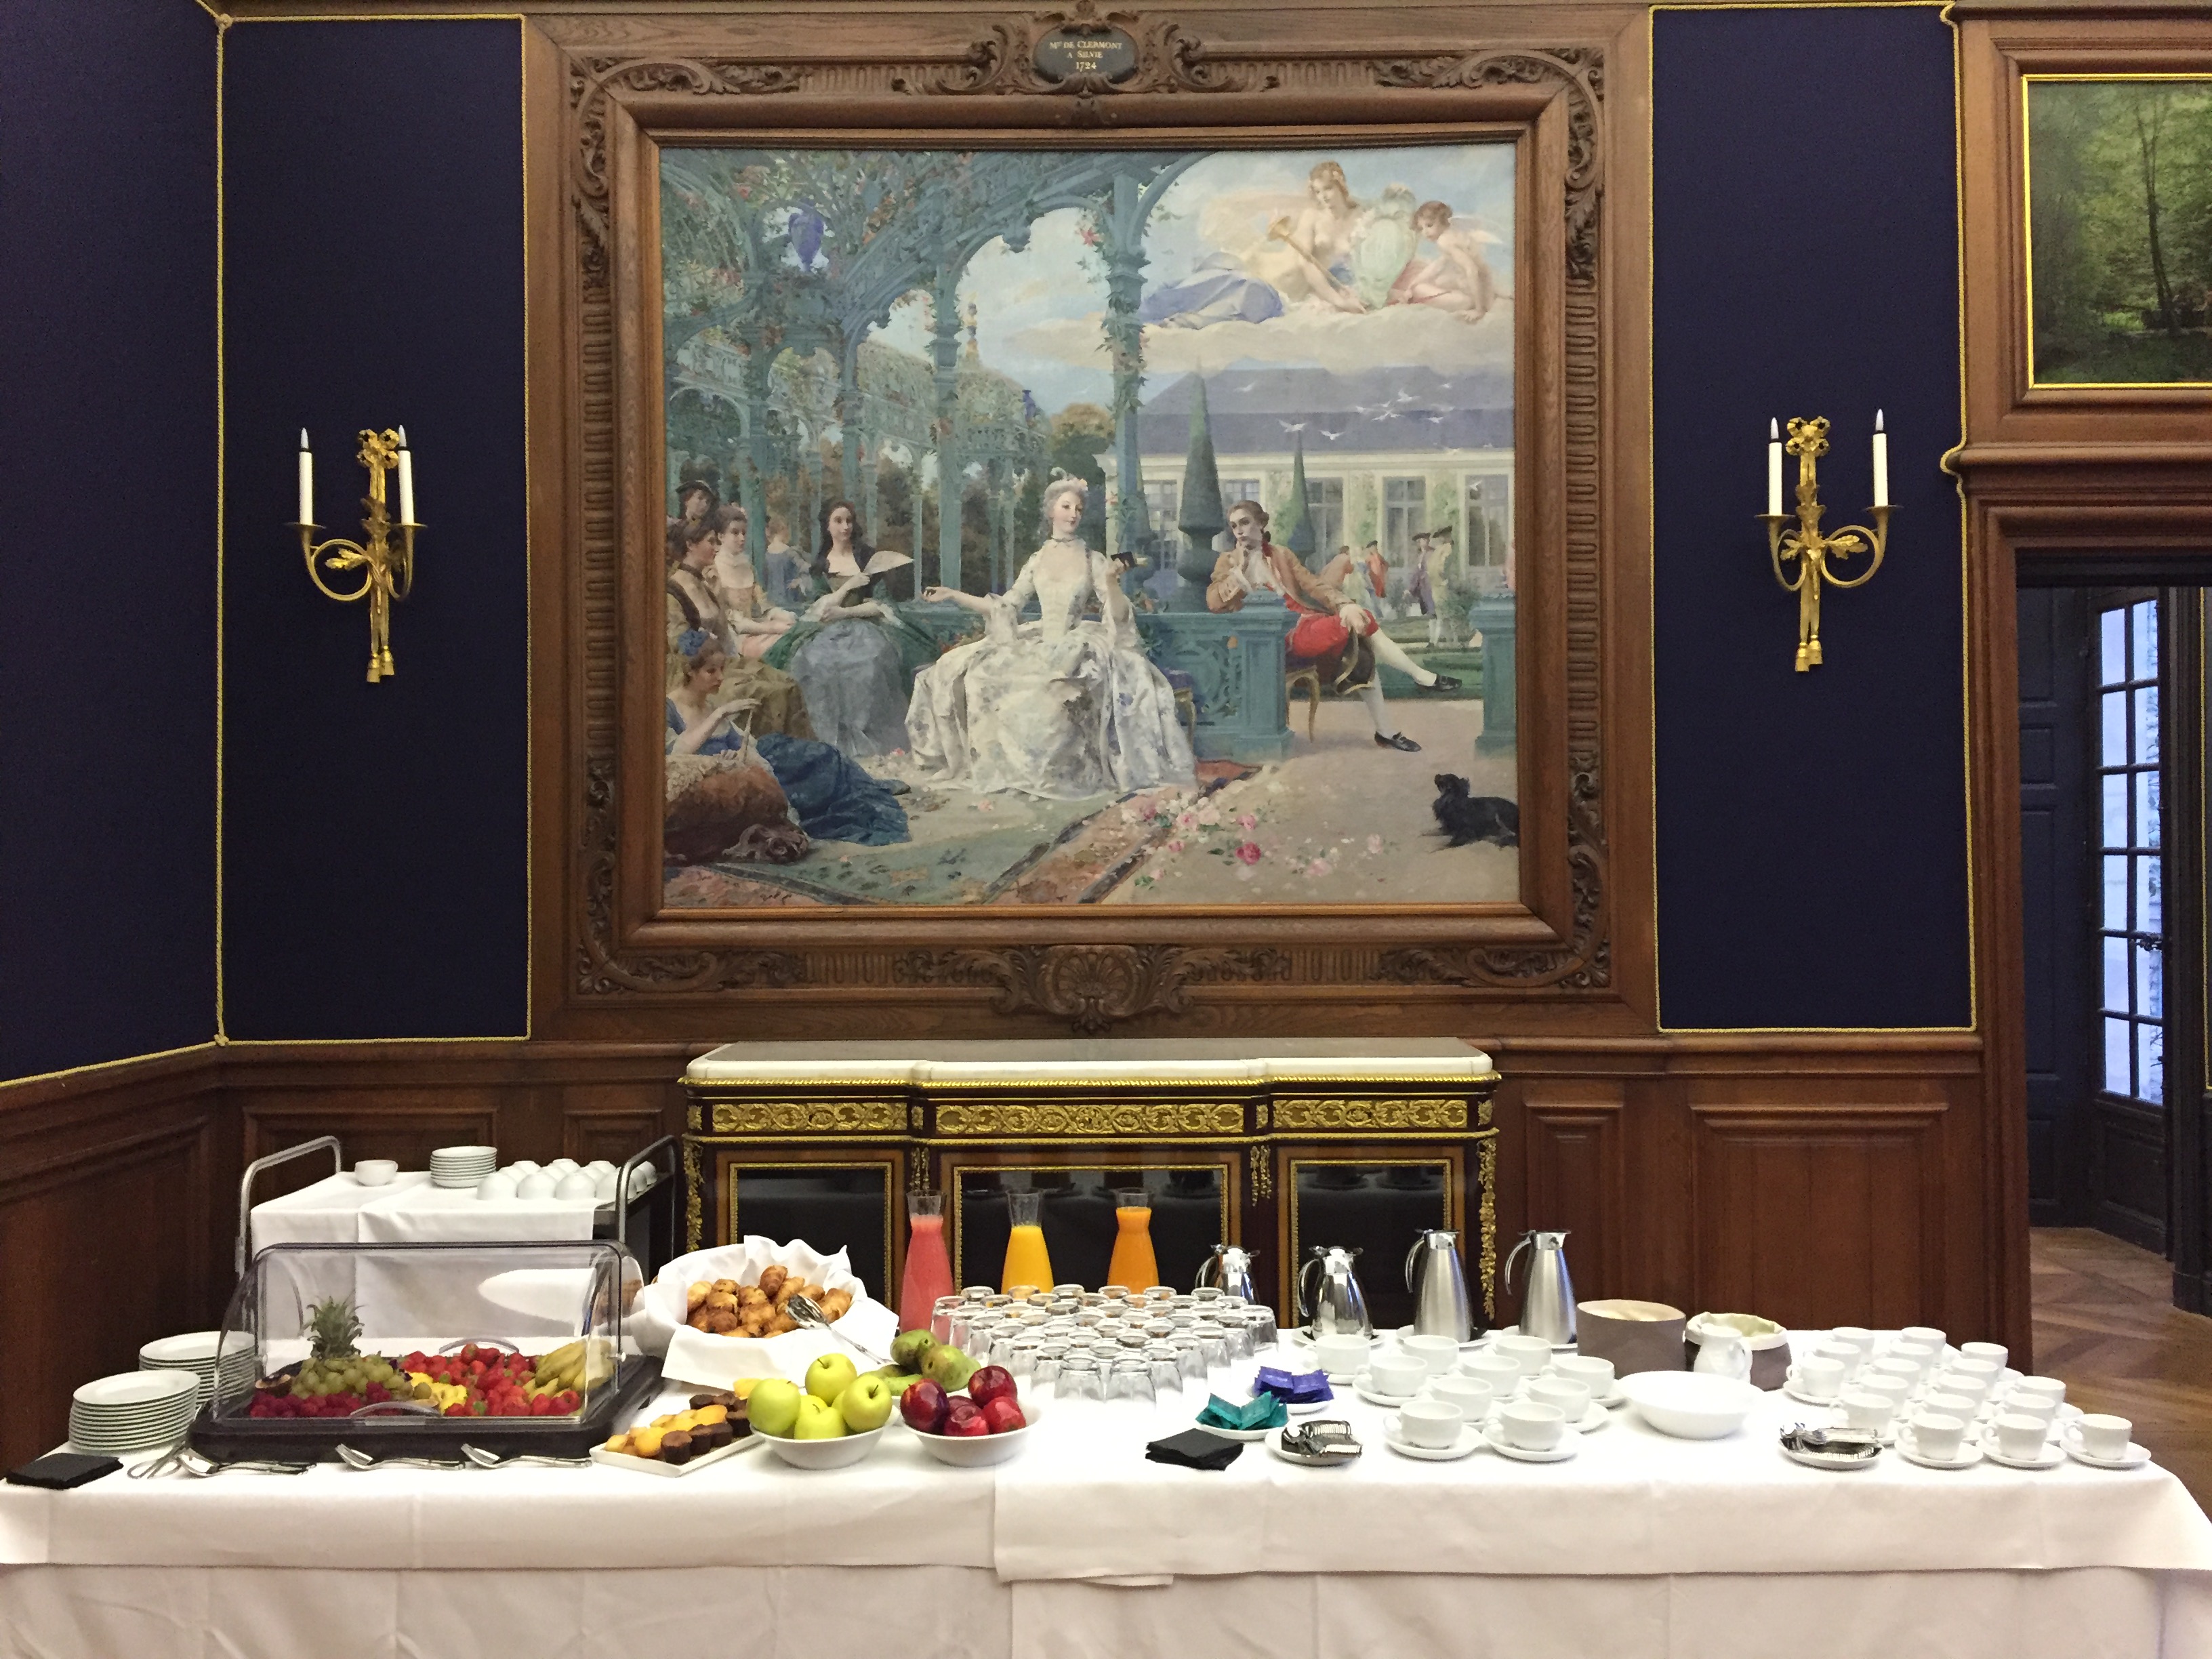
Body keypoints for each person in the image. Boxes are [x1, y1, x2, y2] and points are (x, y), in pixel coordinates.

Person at [907, 476, 1195, 799]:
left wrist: (1112, 582)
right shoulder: (1037, 559)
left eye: (1079, 509)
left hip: (1076, 642)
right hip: (1040, 640)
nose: (1073, 514)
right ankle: (1003, 768)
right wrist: (952, 594)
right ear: (1051, 511)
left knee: (1054, 687)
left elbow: (1116, 616)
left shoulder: (1093, 559)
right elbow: (1006, 605)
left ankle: (1052, 774)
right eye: (1066, 507)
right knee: (976, 676)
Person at [1208, 499, 1456, 753]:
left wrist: (1344, 604)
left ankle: (1387, 731)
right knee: (1362, 621)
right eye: (1234, 526)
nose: (1239, 530)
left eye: (1245, 522)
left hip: (1303, 621)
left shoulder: (1281, 554)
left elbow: (1314, 585)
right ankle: (1421, 676)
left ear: (1260, 523)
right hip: (1270, 640)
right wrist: (1242, 570)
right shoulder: (1228, 562)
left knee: (1363, 652)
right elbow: (1214, 602)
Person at [667, 630, 906, 846]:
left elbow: (743, 743)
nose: (720, 677)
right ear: (690, 671)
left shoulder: (706, 701)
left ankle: (867, 786)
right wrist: (720, 718)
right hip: (740, 776)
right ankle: (859, 790)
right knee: (818, 768)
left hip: (756, 756)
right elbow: (676, 756)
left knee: (822, 753)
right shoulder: (669, 708)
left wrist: (740, 750)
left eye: (722, 669)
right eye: (711, 671)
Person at [766, 501, 937, 758]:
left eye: (849, 521)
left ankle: (870, 736)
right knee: (813, 662)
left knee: (871, 661)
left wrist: (846, 612)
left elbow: (881, 605)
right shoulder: (820, 566)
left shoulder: (868, 558)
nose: (845, 527)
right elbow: (821, 609)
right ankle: (825, 738)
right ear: (827, 526)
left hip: (866, 626)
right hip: (826, 629)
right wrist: (845, 590)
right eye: (838, 521)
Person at [666, 517, 813, 738]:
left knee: (787, 683)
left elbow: (725, 633)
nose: (717, 548)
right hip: (692, 673)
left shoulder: (707, 585)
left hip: (724, 660)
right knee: (767, 692)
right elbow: (680, 645)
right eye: (711, 542)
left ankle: (802, 751)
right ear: (690, 545)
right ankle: (767, 753)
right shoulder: (673, 590)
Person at [1265, 161, 1368, 316]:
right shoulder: (1312, 217)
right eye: (1318, 191)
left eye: (1328, 188)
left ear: (1341, 185)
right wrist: (1339, 301)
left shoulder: (1362, 215)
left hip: (1359, 291)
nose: (1323, 197)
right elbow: (1306, 262)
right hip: (1325, 294)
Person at [708, 504, 798, 661]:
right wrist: (770, 628)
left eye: (744, 533)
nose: (742, 538)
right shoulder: (713, 572)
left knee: (792, 633)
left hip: (755, 628)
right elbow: (730, 621)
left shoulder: (748, 567)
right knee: (779, 646)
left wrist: (781, 615)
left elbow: (761, 605)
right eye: (735, 533)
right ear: (721, 536)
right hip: (733, 638)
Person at [1389, 201, 1500, 324]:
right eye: (1421, 228)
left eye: (1429, 225)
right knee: (1433, 281)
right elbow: (1437, 266)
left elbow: (1472, 270)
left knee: (1419, 290)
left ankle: (1475, 305)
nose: (1425, 232)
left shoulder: (1444, 241)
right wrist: (1411, 286)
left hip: (1473, 300)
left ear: (1443, 221)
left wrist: (1479, 310)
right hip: (1483, 292)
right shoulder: (1454, 234)